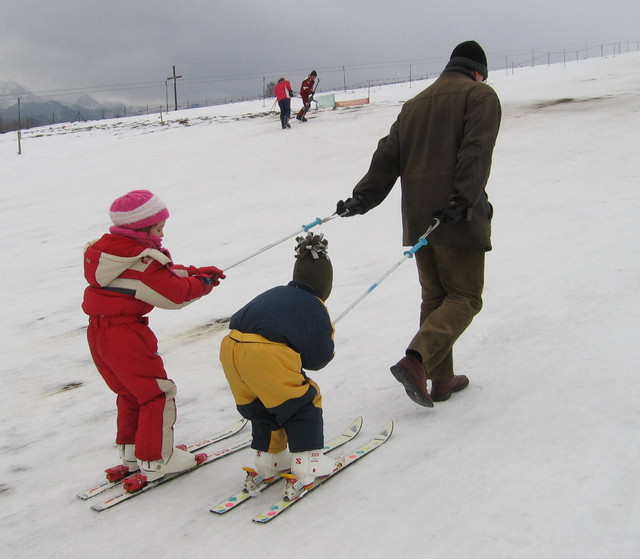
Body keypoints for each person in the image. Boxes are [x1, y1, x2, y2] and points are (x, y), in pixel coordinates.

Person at [335, 40, 501, 408]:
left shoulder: (414, 105)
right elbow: (475, 151)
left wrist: (363, 197)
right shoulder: (479, 95)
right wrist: (463, 199)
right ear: (477, 71)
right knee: (465, 297)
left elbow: (387, 156)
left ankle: (441, 380)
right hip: (457, 215)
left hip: (418, 220)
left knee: (436, 297)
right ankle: (418, 360)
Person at [82, 190, 226, 482]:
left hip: (99, 333)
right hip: (125, 334)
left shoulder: (112, 253)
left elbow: (164, 272)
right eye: (158, 228)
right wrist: (203, 284)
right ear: (140, 228)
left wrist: (196, 272)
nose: (162, 234)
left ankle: (135, 453)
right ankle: (158, 459)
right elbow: (174, 294)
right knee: (157, 393)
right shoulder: (141, 260)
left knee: (131, 392)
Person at [219, 233, 337, 492]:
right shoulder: (315, 307)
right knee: (302, 400)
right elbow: (319, 359)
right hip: (267, 353)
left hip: (230, 346)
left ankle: (269, 458)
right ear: (325, 285)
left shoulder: (276, 292)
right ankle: (308, 462)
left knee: (261, 403)